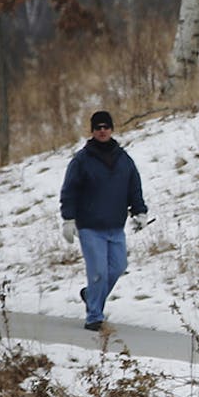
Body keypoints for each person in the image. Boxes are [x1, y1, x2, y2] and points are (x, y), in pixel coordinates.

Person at [60, 110, 148, 331]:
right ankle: (94, 317)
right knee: (98, 272)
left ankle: (90, 295)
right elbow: (69, 190)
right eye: (98, 127)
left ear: (111, 129)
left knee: (118, 267)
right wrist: (68, 219)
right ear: (92, 131)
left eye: (106, 127)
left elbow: (134, 187)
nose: (102, 131)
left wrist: (140, 212)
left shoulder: (124, 159)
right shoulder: (81, 160)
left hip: (116, 226)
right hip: (90, 227)